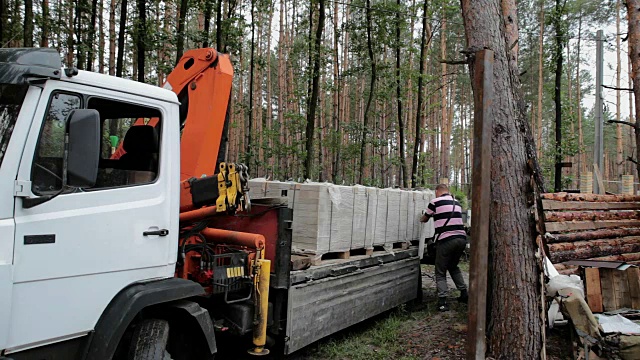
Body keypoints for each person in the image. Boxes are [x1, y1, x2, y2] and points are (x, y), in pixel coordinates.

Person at [420, 184, 468, 312]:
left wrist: (420, 217)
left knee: (440, 271)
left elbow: (425, 219)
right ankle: (464, 294)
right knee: (453, 266)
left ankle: (442, 302)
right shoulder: (456, 202)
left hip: (447, 240)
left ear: (437, 191)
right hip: (462, 239)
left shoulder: (434, 202)